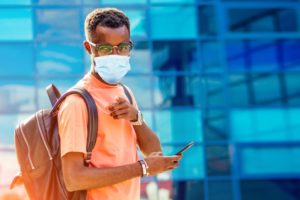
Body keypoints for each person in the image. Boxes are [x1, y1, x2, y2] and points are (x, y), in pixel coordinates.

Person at [58, 7, 181, 200]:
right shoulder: (77, 102)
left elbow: (154, 150)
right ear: (89, 48)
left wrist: (136, 118)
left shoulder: (125, 92)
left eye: (123, 47)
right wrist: (143, 167)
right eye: (106, 49)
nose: (116, 55)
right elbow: (74, 179)